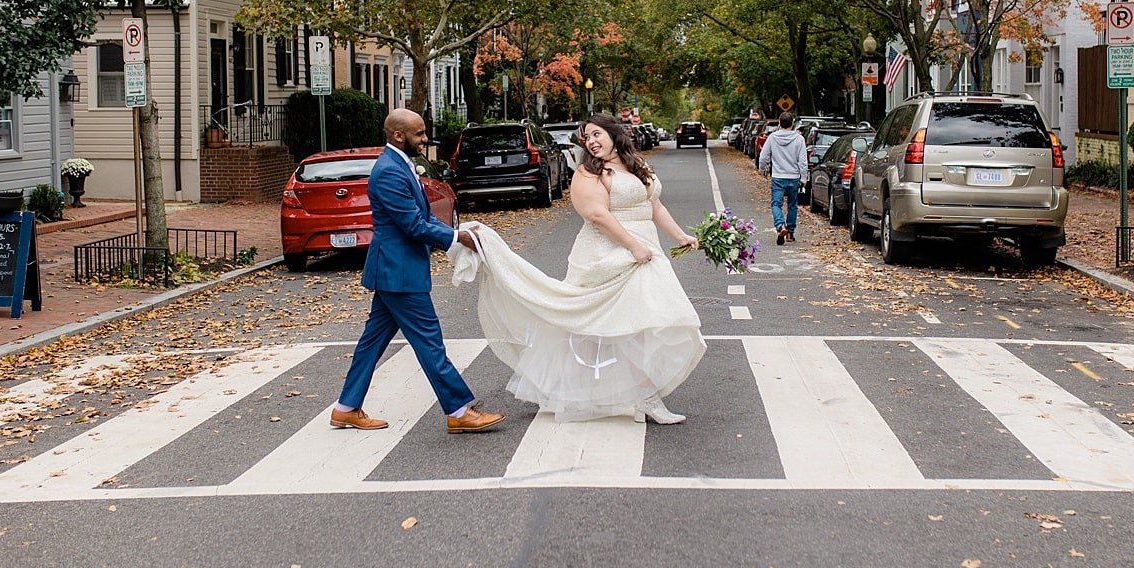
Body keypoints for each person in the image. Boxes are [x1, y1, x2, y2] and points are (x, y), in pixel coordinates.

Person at [450, 113, 706, 424]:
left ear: (616, 134)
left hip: (645, 253)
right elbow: (597, 215)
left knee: (647, 323)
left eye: (598, 134)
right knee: (600, 330)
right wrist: (633, 246)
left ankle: (644, 398)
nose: (592, 141)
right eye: (588, 137)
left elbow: (654, 206)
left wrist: (681, 236)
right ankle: (624, 397)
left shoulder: (638, 165)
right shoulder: (588, 173)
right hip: (609, 255)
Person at [331, 108, 504, 435]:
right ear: (399, 135)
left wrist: (454, 234)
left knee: (372, 342)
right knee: (429, 341)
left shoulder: (398, 163)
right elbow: (412, 223)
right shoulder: (388, 171)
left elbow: (416, 217)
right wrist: (456, 237)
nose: (425, 139)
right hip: (399, 271)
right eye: (420, 133)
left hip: (393, 268)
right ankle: (458, 410)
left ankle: (346, 407)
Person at [758, 112, 807, 245]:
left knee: (776, 204)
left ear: (779, 123)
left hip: (778, 177)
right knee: (792, 205)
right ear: (792, 123)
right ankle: (790, 233)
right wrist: (804, 178)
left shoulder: (773, 138)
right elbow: (802, 161)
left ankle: (780, 226)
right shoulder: (799, 139)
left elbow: (763, 156)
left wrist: (762, 169)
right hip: (794, 177)